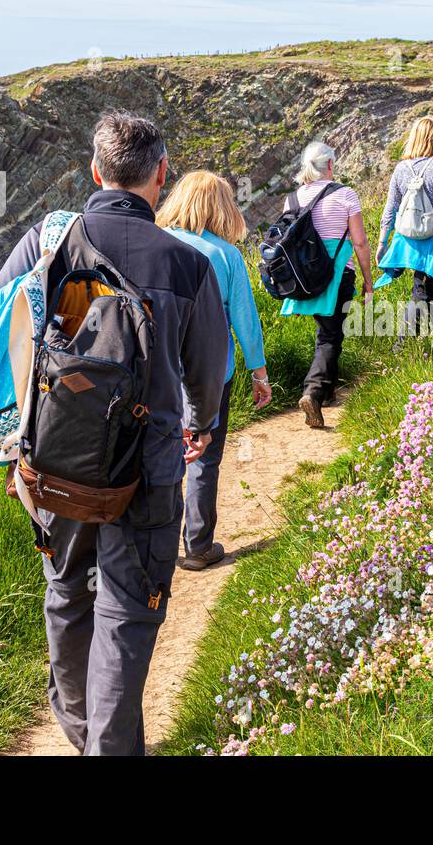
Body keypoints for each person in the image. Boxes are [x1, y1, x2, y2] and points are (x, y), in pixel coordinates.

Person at [0, 110, 227, 755]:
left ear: (95, 170)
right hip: (148, 466)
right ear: (161, 174)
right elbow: (208, 372)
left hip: (55, 460)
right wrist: (199, 426)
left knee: (66, 593)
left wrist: (17, 437)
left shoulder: (46, 245)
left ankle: (85, 734)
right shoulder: (186, 262)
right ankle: (110, 749)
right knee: (127, 612)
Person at [155, 170, 271, 572]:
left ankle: (153, 548)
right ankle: (199, 546)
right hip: (210, 373)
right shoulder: (226, 255)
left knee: (160, 453)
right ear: (222, 207)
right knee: (204, 456)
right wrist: (259, 373)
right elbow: (245, 320)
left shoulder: (158, 245)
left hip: (158, 371)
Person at [278, 141, 373, 428]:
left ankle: (327, 391)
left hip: (306, 279)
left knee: (326, 331)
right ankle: (314, 392)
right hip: (338, 275)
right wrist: (368, 282)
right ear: (330, 165)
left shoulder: (292, 199)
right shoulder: (345, 195)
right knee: (331, 336)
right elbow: (360, 241)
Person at [375, 116, 433, 341]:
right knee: (424, 289)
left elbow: (391, 207)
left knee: (429, 287)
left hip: (409, 237)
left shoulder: (401, 169)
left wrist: (382, 241)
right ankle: (404, 344)